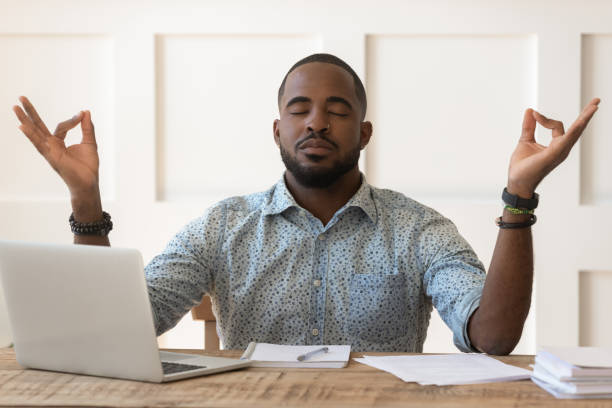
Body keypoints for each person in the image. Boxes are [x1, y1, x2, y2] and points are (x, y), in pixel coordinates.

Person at [13, 53, 600, 354]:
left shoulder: (420, 229)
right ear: (277, 130)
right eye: (299, 109)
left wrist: (519, 196)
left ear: (364, 134)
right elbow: (118, 330)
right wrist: (85, 199)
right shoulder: (223, 227)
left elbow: (492, 338)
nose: (317, 122)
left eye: (339, 110)